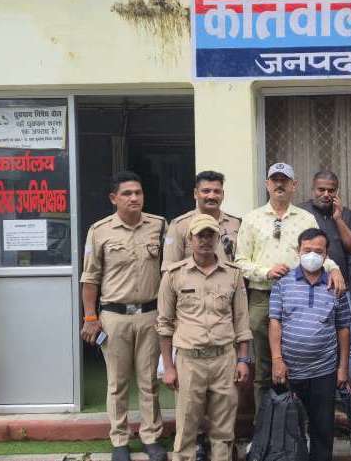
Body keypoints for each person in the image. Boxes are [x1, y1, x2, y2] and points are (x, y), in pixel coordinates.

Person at [235, 162, 347, 408]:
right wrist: (266, 271)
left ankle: (295, 423)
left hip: (300, 296)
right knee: (265, 366)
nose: (279, 184)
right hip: (262, 296)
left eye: (284, 180)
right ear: (267, 184)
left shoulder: (306, 218)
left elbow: (319, 252)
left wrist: (335, 269)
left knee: (295, 365)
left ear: (294, 185)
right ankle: (265, 425)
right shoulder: (252, 219)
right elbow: (239, 262)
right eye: (274, 180)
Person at [79, 171, 168, 461]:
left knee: (149, 381)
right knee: (117, 383)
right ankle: (119, 440)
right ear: (113, 198)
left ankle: (151, 437)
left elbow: (169, 272)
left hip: (150, 315)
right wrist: (90, 317)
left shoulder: (159, 226)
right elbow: (90, 277)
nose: (134, 198)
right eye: (127, 193)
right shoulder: (99, 230)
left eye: (138, 193)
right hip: (114, 317)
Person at [157, 214, 252, 461]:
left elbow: (242, 321)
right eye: (200, 235)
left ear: (218, 239)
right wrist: (168, 366)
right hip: (189, 361)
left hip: (224, 360)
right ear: (190, 239)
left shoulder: (232, 274)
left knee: (224, 431)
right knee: (187, 428)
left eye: (211, 235)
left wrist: (243, 360)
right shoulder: (174, 275)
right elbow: (164, 325)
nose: (205, 240)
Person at [269, 228, 351, 461]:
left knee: (322, 431)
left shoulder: (336, 286)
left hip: (323, 372)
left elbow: (343, 328)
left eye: (318, 251)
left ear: (326, 255)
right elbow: (275, 322)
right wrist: (277, 360)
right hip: (289, 371)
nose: (312, 255)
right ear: (298, 251)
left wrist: (343, 368)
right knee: (289, 431)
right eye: (307, 250)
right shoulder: (283, 283)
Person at [163, 170, 241, 266]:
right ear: (195, 193)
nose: (211, 196)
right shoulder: (179, 225)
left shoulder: (236, 224)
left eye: (217, 191)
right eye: (206, 191)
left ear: (223, 194)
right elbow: (169, 267)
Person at [298, 170, 351, 284]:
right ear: (313, 190)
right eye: (321, 190)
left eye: (331, 191)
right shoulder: (301, 212)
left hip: (339, 283)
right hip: (305, 283)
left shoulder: (345, 213)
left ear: (337, 191)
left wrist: (338, 219)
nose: (326, 194)